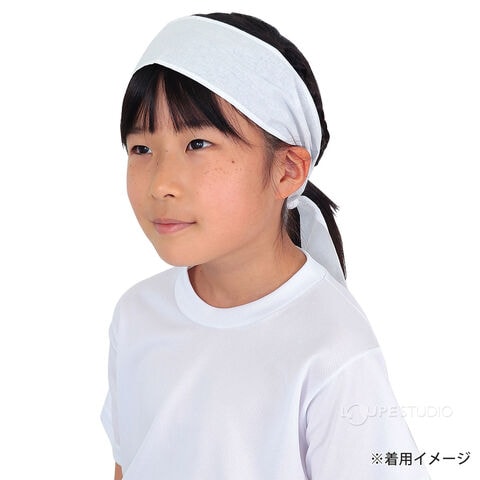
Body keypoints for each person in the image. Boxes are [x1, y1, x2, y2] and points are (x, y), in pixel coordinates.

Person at [100, 12, 431, 480]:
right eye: (141, 149)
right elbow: (128, 464)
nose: (160, 184)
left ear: (287, 170)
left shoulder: (332, 349)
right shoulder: (137, 314)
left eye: (198, 144)